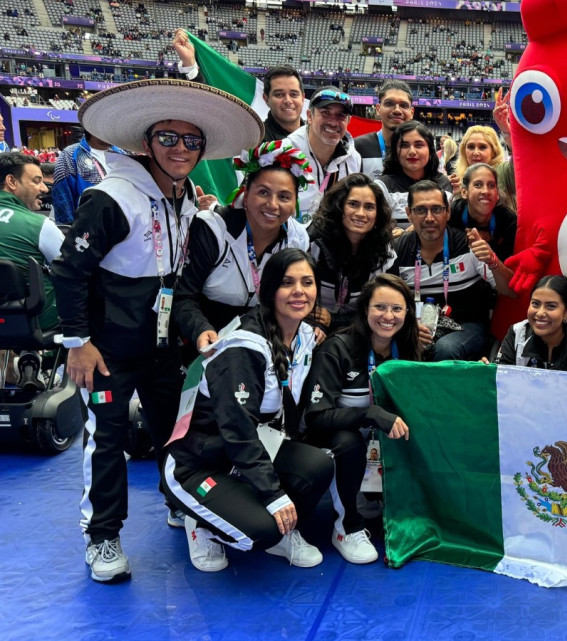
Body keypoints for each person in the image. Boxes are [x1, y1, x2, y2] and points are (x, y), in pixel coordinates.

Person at [50, 79, 263, 583]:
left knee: (176, 433)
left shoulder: (183, 197)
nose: (181, 149)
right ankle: (102, 535)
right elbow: (68, 270)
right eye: (168, 138)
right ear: (147, 143)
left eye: (192, 141)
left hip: (164, 347)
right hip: (108, 352)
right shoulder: (110, 197)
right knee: (106, 439)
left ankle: (178, 500)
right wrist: (77, 344)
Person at [163, 249, 334, 572]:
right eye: (287, 282)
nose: (299, 291)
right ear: (268, 290)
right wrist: (273, 495)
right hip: (199, 462)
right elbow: (238, 431)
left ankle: (281, 529)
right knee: (261, 532)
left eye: (307, 282)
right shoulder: (243, 347)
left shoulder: (304, 336)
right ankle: (201, 525)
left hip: (249, 450)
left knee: (318, 465)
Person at [301, 274, 415, 563]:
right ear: (365, 309)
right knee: (347, 441)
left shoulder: (409, 348)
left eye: (397, 309)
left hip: (381, 445)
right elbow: (316, 418)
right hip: (340, 441)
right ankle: (346, 526)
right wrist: (369, 414)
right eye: (380, 307)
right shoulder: (337, 348)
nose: (388, 316)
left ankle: (406, 508)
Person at [174, 140, 313, 358]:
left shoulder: (297, 239)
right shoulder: (213, 228)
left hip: (261, 341)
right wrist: (200, 329)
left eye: (284, 197)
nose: (273, 205)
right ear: (245, 195)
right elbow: (183, 295)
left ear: (295, 202)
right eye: (263, 193)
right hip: (204, 341)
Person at [386, 180, 514, 361]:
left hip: (466, 326)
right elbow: (384, 300)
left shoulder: (468, 245)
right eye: (420, 210)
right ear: (409, 214)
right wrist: (408, 327)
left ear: (448, 213)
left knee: (445, 349)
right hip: (416, 327)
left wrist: (492, 261)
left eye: (437, 209)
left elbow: (510, 290)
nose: (429, 218)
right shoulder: (396, 250)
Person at [0, 152, 64, 390]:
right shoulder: (40, 225)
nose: (45, 189)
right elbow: (75, 272)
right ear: (12, 182)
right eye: (36, 181)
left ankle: (10, 368)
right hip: (36, 320)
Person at [173, 29, 305, 143]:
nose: (288, 101)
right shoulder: (252, 141)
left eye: (294, 94)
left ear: (303, 98)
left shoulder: (318, 137)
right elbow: (210, 119)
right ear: (265, 99)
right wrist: (190, 67)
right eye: (279, 94)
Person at [307, 173, 394, 333]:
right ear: (339, 207)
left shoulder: (384, 252)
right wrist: (313, 325)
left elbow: (386, 309)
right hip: (310, 329)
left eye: (369, 207)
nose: (361, 213)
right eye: (353, 204)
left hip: (358, 331)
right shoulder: (312, 244)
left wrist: (334, 321)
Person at [283, 87, 362, 226]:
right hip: (289, 243)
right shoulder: (284, 152)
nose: (333, 122)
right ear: (309, 116)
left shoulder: (353, 159)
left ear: (348, 121)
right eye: (325, 113)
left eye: (341, 115)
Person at [496, 275, 567, 371]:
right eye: (535, 304)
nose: (540, 313)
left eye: (551, 306)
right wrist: (487, 372)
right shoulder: (517, 333)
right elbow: (500, 382)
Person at [379, 121, 452, 229]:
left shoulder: (445, 183)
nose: (412, 151)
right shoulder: (382, 187)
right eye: (404, 145)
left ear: (430, 150)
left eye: (419, 145)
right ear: (395, 151)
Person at [447, 162, 517, 264]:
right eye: (478, 185)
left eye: (491, 185)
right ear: (464, 192)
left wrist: (491, 243)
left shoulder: (508, 220)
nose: (486, 191)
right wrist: (463, 238)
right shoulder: (453, 214)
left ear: (497, 194)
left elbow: (509, 264)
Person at [52, 133, 123, 225]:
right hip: (87, 231)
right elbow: (62, 197)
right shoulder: (70, 154)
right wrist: (70, 231)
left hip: (123, 228)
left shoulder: (123, 154)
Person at [356, 80, 415, 181]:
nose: (397, 110)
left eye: (404, 105)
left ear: (412, 112)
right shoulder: (358, 147)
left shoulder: (419, 151)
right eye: (389, 103)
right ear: (378, 109)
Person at [448, 125, 506, 192]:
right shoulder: (457, 181)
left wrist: (506, 129)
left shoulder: (504, 173)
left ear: (493, 151)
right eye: (471, 147)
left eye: (482, 147)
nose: (475, 153)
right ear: (464, 151)